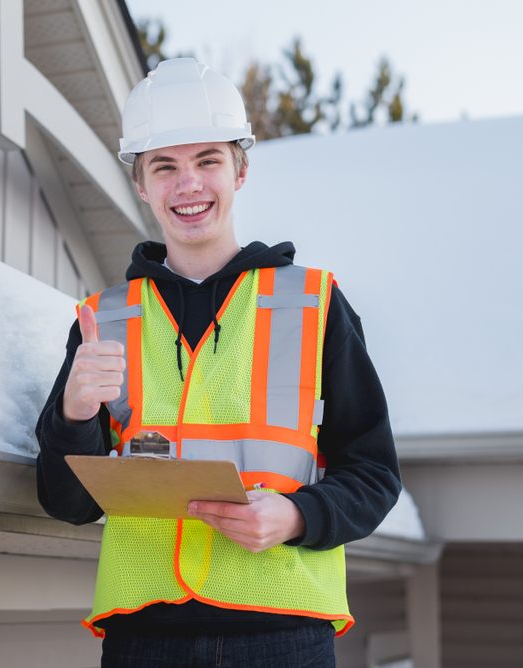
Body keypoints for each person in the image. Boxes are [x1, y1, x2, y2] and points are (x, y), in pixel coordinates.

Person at [36, 57, 400, 667]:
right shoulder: (105, 321)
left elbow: (374, 474)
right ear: (140, 183)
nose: (189, 186)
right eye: (165, 167)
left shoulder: (312, 304)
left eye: (208, 161)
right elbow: (68, 503)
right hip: (144, 640)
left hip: (283, 638)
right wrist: (74, 415)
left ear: (241, 169)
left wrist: (296, 515)